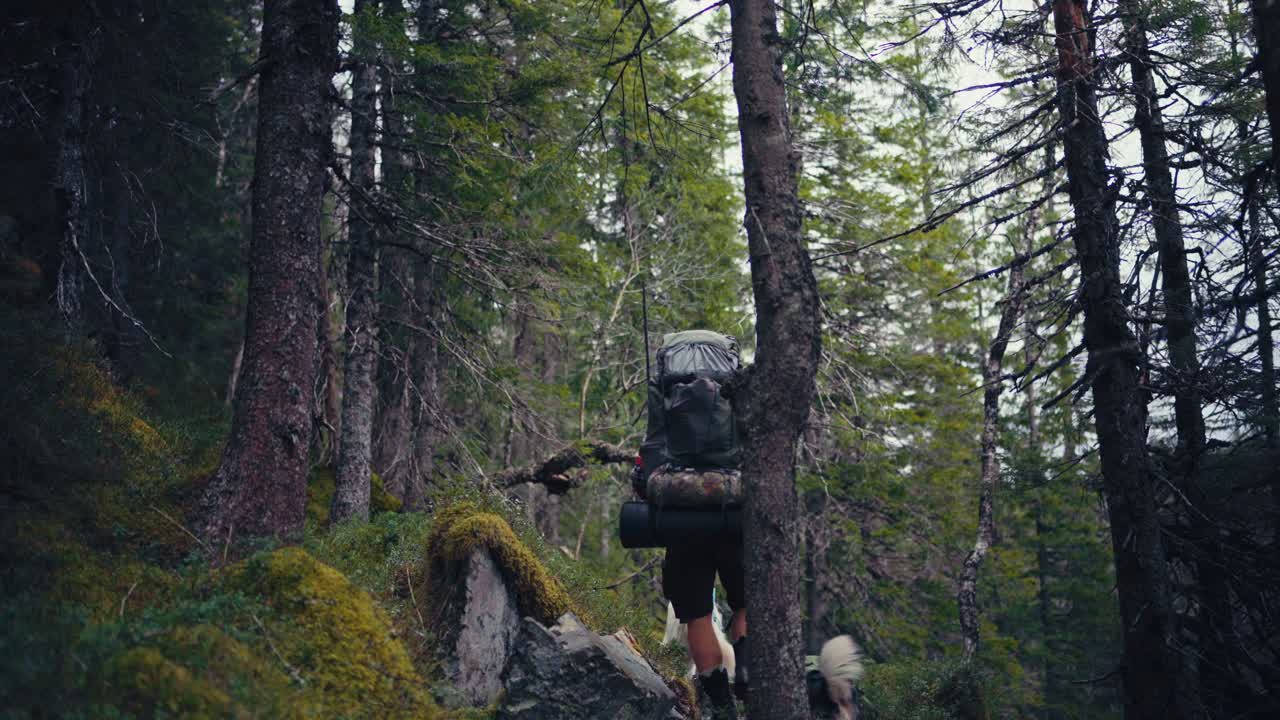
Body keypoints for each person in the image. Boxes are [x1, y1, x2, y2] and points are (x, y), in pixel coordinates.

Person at [633, 329, 749, 719]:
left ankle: (721, 704)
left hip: (682, 513)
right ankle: (748, 669)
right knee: (746, 599)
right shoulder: (737, 376)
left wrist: (646, 481)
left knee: (696, 613)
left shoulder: (663, 380)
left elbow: (652, 445)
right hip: (733, 507)